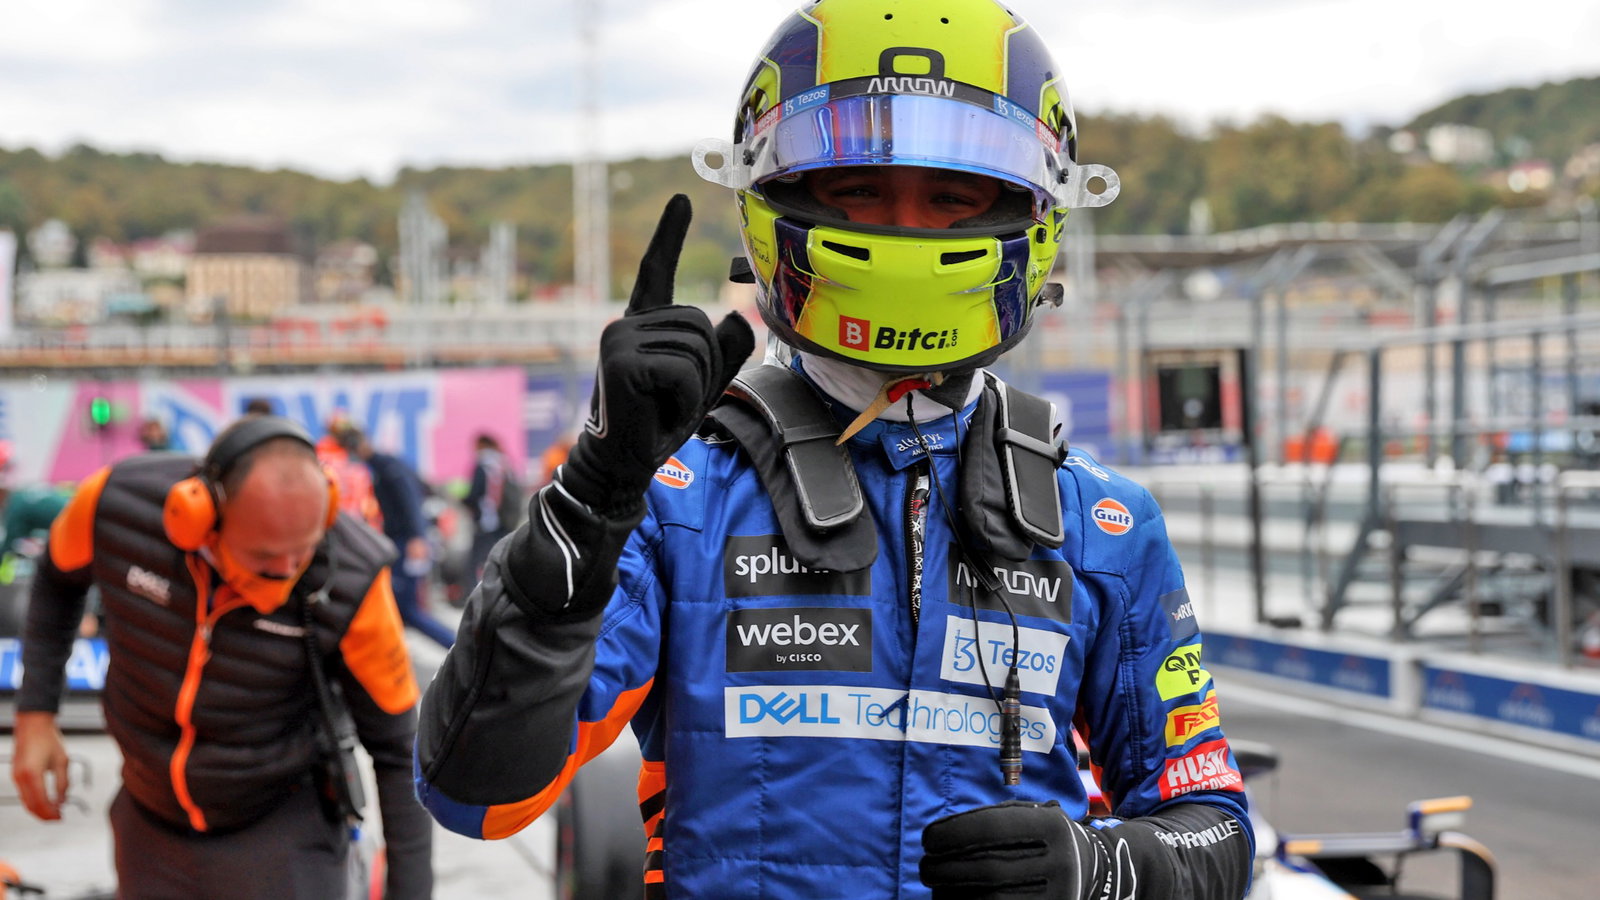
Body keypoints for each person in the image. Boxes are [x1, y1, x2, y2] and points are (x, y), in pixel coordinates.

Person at [414, 1, 1252, 898]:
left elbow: (1217, 831)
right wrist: (590, 498)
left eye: (952, 195)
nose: (904, 226)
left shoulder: (1101, 525)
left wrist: (1104, 866)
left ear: (1032, 215)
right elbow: (475, 796)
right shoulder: (675, 500)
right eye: (858, 186)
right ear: (778, 200)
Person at [10, 415, 434, 899]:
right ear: (201, 517)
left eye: (303, 553)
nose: (287, 574)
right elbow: (56, 578)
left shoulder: (355, 578)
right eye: (264, 557)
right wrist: (35, 715)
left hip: (281, 834)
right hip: (147, 824)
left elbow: (401, 754)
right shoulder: (116, 504)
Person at [338, 425, 456, 648]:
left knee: (408, 609)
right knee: (400, 608)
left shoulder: (388, 467)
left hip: (408, 543)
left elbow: (410, 500)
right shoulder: (384, 465)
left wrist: (417, 537)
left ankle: (457, 646)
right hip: (404, 541)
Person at [460, 432, 520, 588]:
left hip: (486, 521)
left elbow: (476, 493)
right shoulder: (504, 464)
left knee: (477, 561)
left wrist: (464, 502)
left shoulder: (483, 464)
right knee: (502, 558)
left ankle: (475, 594)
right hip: (506, 521)